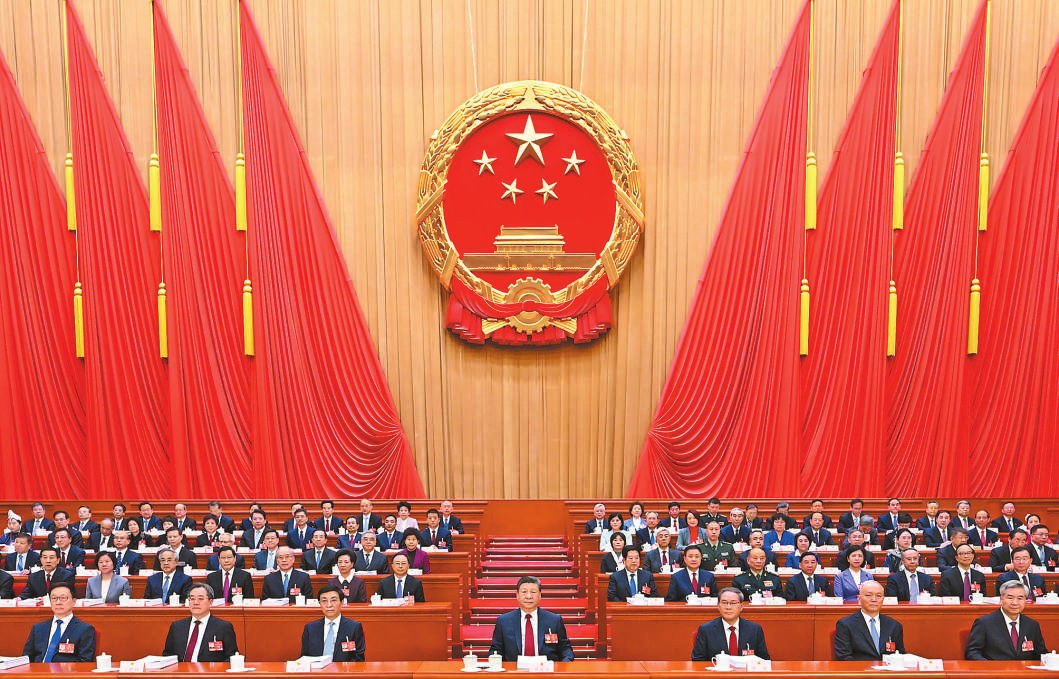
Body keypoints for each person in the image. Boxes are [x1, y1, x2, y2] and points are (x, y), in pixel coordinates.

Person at [489, 576, 574, 661]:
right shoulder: (504, 621)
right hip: (515, 668)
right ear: (517, 595)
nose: (528, 596)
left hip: (546, 668)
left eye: (533, 592)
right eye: (524, 592)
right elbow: (496, 650)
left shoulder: (554, 620)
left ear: (540, 595)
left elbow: (565, 649)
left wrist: (564, 664)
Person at [965, 580, 1047, 660]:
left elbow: (1041, 653)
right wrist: (989, 666)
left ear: (1025, 600)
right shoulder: (984, 623)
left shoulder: (1032, 625)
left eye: (1020, 598)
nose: (1015, 602)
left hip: (1024, 669)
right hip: (996, 668)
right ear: (1001, 599)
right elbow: (972, 652)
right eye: (1010, 598)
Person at [162, 583, 238, 661]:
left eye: (200, 599)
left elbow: (231, 658)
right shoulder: (177, 626)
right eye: (192, 599)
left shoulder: (223, 627)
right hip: (181, 668)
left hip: (209, 668)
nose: (195, 602)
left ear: (210, 602)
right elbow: (168, 655)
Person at [22, 582, 96, 662]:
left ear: (74, 601)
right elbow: (26, 658)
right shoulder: (38, 628)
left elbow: (85, 661)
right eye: (54, 598)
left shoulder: (84, 630)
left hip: (66, 670)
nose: (58, 602)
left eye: (63, 598)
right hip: (38, 669)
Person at [691, 587, 769, 660]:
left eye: (733, 603)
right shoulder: (706, 630)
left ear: (741, 606)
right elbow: (697, 661)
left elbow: (764, 660)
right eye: (724, 603)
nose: (728, 607)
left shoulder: (754, 629)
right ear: (718, 606)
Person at [834, 580, 905, 660]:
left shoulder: (894, 625)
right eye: (868, 595)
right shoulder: (845, 625)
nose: (874, 599)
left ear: (883, 599)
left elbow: (900, 655)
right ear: (859, 598)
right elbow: (843, 657)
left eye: (878, 596)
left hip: (887, 667)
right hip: (859, 667)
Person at [300, 585, 365, 662]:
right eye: (324, 601)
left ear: (342, 602)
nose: (329, 605)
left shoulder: (354, 627)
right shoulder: (310, 628)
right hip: (317, 668)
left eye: (333, 600)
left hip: (344, 669)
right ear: (319, 604)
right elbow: (305, 657)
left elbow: (358, 658)